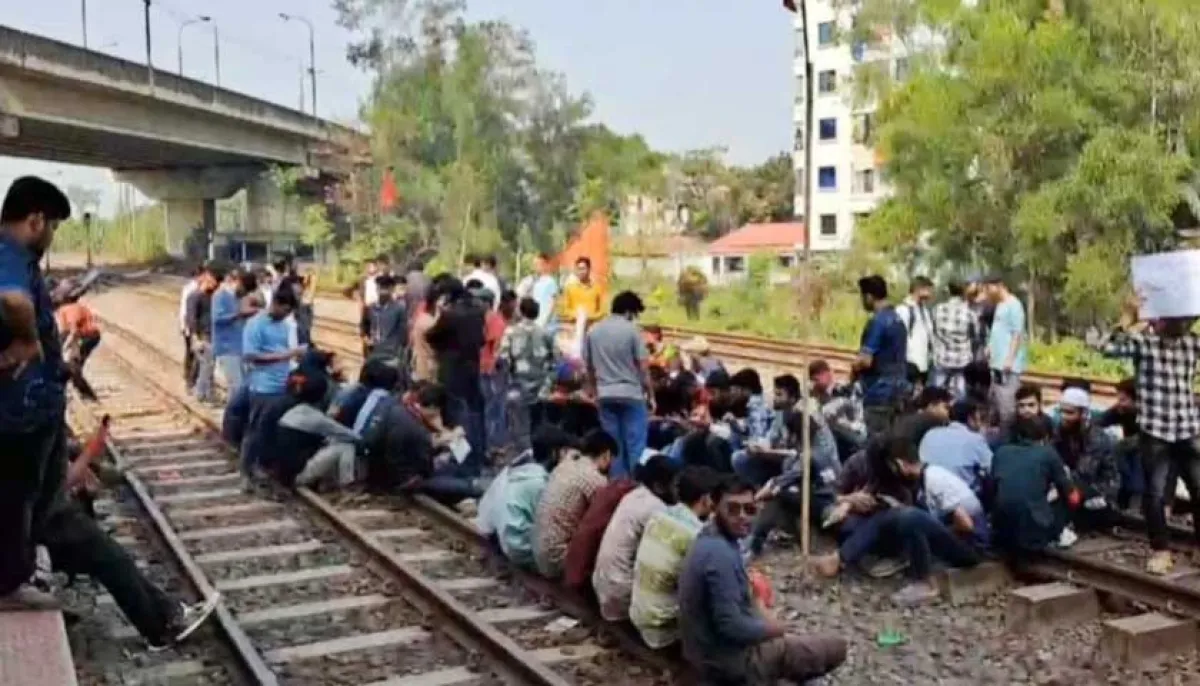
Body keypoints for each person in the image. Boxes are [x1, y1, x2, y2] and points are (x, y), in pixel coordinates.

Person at [0, 176, 219, 644]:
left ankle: (162, 618)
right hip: (20, 427)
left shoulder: (17, 260)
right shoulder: (8, 255)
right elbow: (11, 299)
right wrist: (26, 340)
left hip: (33, 427)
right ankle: (161, 619)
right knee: (68, 531)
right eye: (53, 227)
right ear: (35, 219)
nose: (51, 236)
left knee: (74, 533)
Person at [678, 476, 847, 684]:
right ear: (714, 506)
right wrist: (775, 629)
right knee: (836, 646)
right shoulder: (720, 555)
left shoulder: (709, 539)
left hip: (703, 650)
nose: (742, 517)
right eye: (732, 509)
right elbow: (732, 627)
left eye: (749, 510)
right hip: (725, 662)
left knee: (788, 638)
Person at [887, 441, 987, 605]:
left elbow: (966, 524)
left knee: (911, 518)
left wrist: (935, 528)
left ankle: (926, 584)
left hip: (972, 545)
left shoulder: (934, 479)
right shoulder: (923, 481)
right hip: (961, 538)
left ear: (900, 464)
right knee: (910, 517)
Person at [630, 466, 720, 649]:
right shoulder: (696, 534)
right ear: (705, 499)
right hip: (663, 627)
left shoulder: (658, 515)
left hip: (640, 614)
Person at [592, 456, 679, 620]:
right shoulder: (656, 510)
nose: (679, 491)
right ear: (660, 487)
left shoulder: (635, 494)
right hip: (622, 593)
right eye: (676, 486)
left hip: (605, 586)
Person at [585, 291, 654, 479]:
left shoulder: (594, 331)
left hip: (605, 394)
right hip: (631, 394)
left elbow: (589, 366)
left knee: (613, 445)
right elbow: (643, 367)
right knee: (635, 445)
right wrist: (650, 395)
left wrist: (594, 391)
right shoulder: (632, 330)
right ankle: (636, 484)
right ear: (629, 311)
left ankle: (617, 485)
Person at [240, 288, 305, 485]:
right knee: (255, 430)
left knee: (270, 431)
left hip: (281, 385)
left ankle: (262, 466)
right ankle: (246, 470)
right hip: (262, 387)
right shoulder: (255, 325)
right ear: (275, 304)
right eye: (285, 310)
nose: (286, 315)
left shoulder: (284, 326)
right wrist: (287, 355)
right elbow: (251, 356)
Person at [533, 429, 616, 579]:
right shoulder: (595, 479)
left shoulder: (564, 466)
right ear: (606, 455)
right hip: (558, 560)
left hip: (539, 555)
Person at [492, 426, 578, 569]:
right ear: (555, 453)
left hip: (510, 541)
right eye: (565, 453)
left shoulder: (525, 472)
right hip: (522, 547)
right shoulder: (540, 483)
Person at [991, 415, 1076, 557]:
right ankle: (1060, 533)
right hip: (1036, 533)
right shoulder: (1048, 453)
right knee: (1064, 495)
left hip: (1001, 530)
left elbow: (994, 489)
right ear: (1045, 437)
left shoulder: (1001, 452)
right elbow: (1070, 495)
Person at [426, 277, 488, 473]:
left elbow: (431, 336)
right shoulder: (479, 311)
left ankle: (461, 459)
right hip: (472, 367)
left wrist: (439, 313)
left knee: (455, 416)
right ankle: (478, 455)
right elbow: (482, 339)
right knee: (475, 413)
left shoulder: (449, 314)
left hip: (451, 370)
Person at [1053, 386, 1119, 532]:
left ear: (1082, 413)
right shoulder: (1060, 430)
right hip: (1069, 482)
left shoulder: (1096, 437)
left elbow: (1085, 474)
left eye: (1070, 413)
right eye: (1062, 411)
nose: (1064, 416)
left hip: (1097, 489)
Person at [498, 297, 558, 453]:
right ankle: (537, 452)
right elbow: (555, 360)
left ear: (521, 311)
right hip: (540, 385)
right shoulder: (545, 333)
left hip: (518, 384)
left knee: (518, 423)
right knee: (538, 421)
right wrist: (549, 382)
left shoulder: (511, 332)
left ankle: (522, 452)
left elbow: (504, 359)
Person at [854, 275, 908, 437]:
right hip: (899, 388)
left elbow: (865, 360)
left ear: (869, 296)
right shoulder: (898, 319)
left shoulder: (877, 322)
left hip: (879, 391)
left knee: (876, 441)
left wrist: (854, 366)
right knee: (894, 439)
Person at [919, 397, 993, 495]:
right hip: (963, 501)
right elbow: (993, 469)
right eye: (980, 418)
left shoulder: (930, 434)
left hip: (927, 498)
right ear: (971, 419)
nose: (980, 423)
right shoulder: (975, 439)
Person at [984, 274, 1029, 426]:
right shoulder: (1000, 305)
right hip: (996, 363)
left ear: (999, 285)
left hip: (1008, 366)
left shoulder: (1014, 305)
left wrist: (1010, 358)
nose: (987, 291)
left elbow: (1017, 333)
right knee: (995, 404)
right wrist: (990, 347)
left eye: (989, 287)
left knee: (1007, 407)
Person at [1100, 378, 1143, 510]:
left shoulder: (1149, 413)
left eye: (1123, 400)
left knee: (1126, 451)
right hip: (1129, 452)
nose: (1120, 403)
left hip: (1150, 451)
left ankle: (1135, 500)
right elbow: (1101, 420)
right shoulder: (1121, 410)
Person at [931, 279, 977, 397]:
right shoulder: (969, 313)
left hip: (942, 357)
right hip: (962, 360)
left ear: (949, 291)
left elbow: (933, 330)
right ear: (963, 292)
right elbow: (974, 335)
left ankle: (936, 413)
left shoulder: (938, 309)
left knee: (937, 393)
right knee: (960, 393)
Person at [360, 273, 409, 373]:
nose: (383, 291)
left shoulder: (399, 309)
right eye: (380, 288)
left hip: (391, 356)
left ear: (391, 290)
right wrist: (366, 339)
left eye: (386, 288)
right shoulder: (370, 308)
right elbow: (364, 326)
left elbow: (403, 334)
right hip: (373, 354)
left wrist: (399, 352)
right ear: (377, 289)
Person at [186, 264, 221, 403]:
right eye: (213, 280)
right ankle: (204, 393)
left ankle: (205, 394)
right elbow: (191, 318)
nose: (215, 284)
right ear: (206, 279)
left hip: (212, 335)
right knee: (208, 366)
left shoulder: (212, 296)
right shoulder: (194, 297)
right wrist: (195, 337)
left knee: (208, 366)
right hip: (202, 336)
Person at [895, 276, 935, 377]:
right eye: (928, 289)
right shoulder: (903, 310)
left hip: (924, 364)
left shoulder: (925, 310)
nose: (931, 293)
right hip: (909, 364)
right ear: (918, 289)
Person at [179, 265, 202, 384]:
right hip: (190, 323)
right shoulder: (190, 289)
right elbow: (184, 309)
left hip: (191, 323)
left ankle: (190, 375)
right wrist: (185, 325)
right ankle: (190, 377)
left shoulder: (191, 288)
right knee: (191, 351)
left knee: (191, 351)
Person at [529, 253, 560, 334]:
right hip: (537, 322)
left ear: (545, 265)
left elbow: (554, 302)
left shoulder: (551, 281)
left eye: (538, 264)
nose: (535, 267)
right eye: (535, 265)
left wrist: (546, 320)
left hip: (548, 325)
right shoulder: (536, 282)